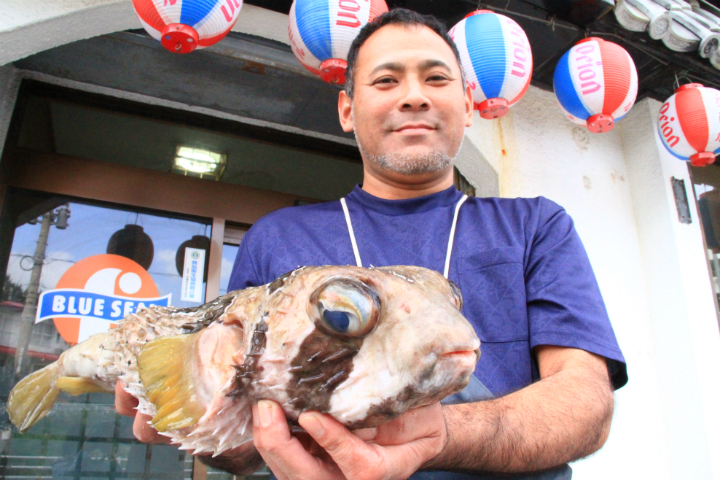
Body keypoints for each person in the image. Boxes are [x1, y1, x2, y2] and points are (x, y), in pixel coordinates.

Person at [116, 8, 627, 480]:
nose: (414, 96)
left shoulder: (535, 225)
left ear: (468, 106)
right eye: (385, 80)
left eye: (437, 78)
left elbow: (584, 402)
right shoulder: (277, 237)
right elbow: (241, 441)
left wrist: (437, 436)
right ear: (347, 108)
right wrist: (188, 416)